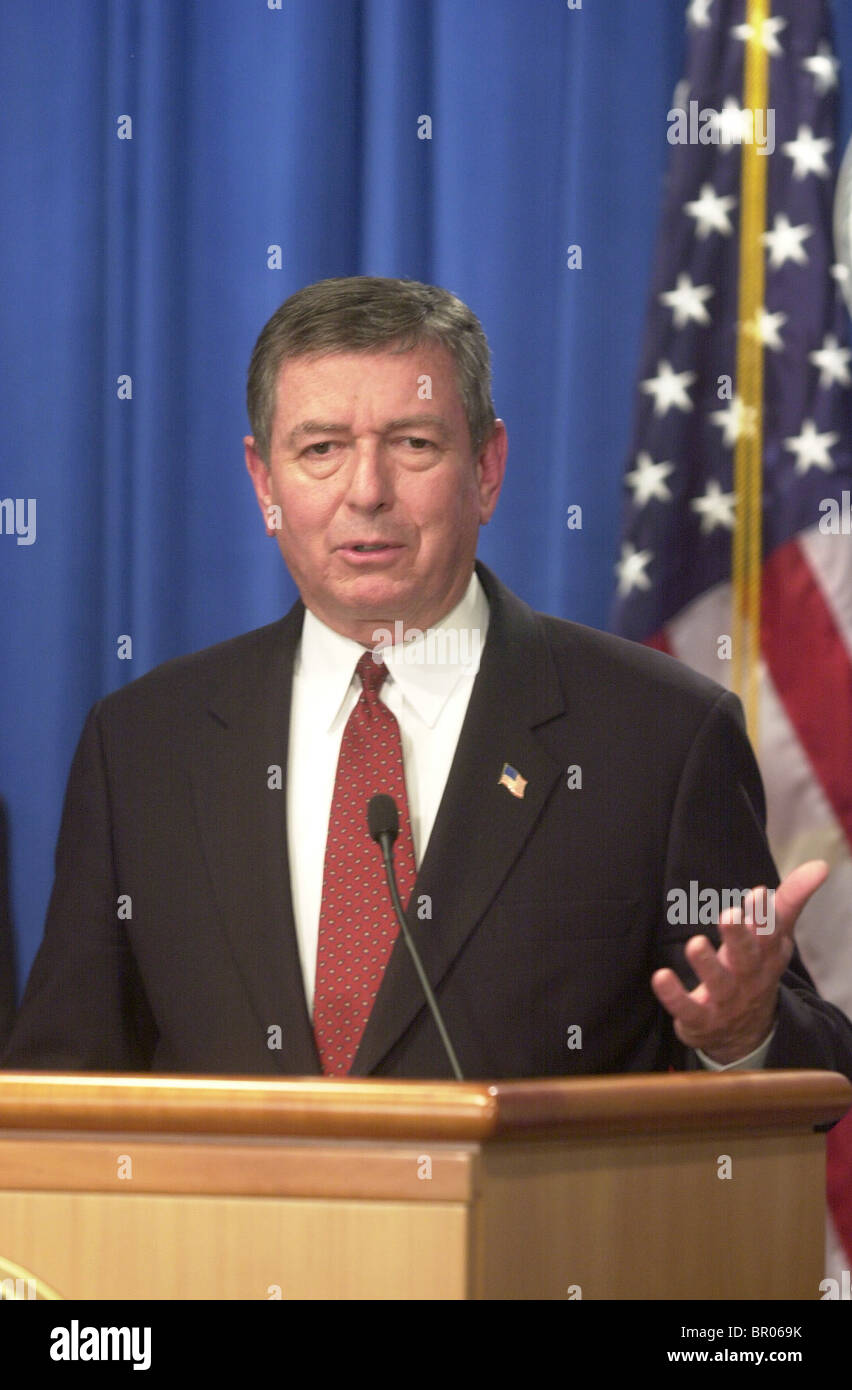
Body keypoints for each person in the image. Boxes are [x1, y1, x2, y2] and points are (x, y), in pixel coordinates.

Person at [3, 275, 852, 1082]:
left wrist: (743, 1033)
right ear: (265, 483)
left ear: (486, 468)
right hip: (225, 1239)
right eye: (322, 449)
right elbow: (64, 1077)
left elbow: (811, 1067)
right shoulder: (145, 745)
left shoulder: (660, 736)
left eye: (412, 444)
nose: (366, 492)